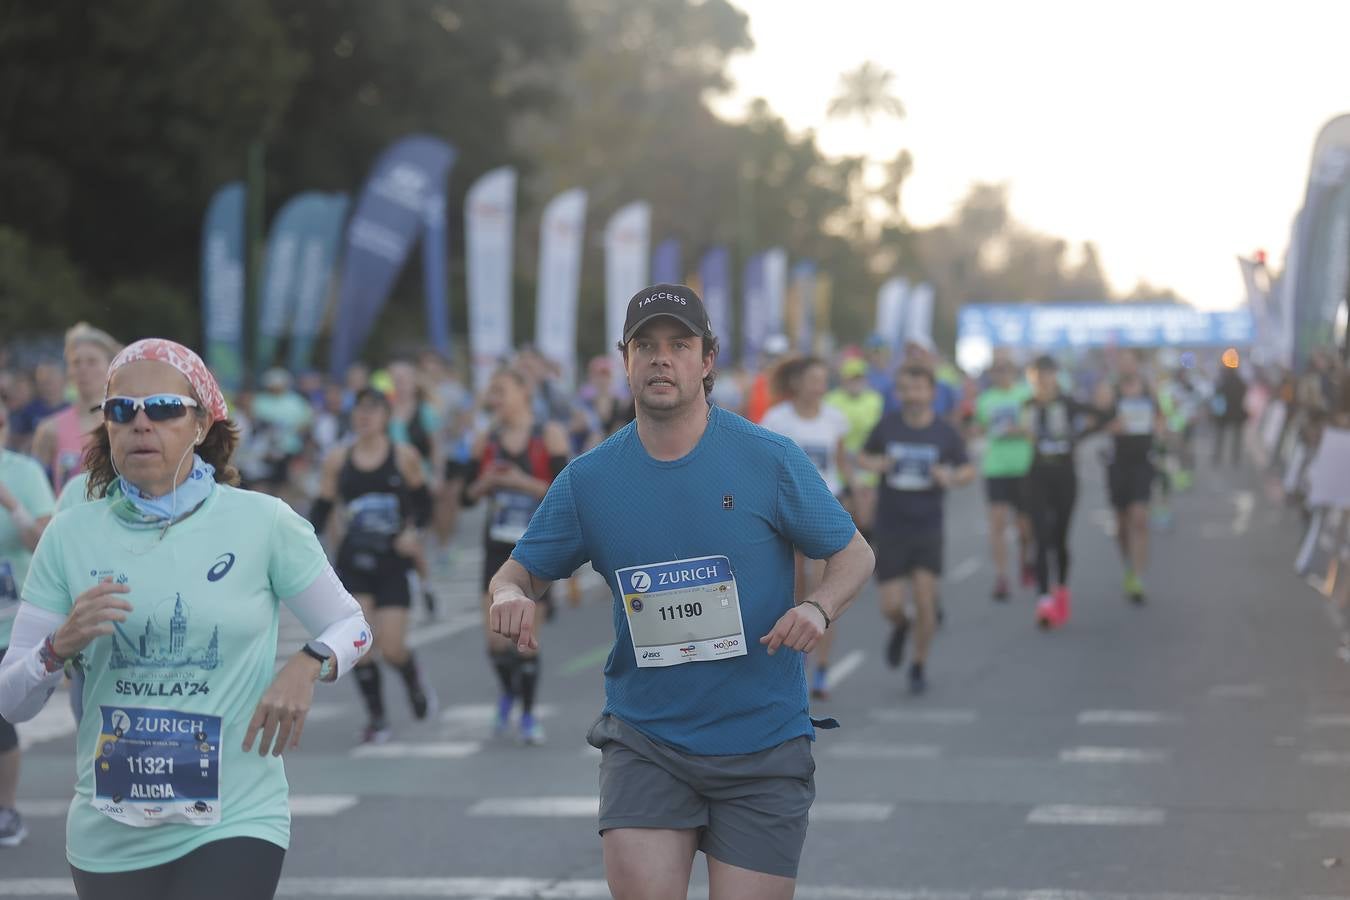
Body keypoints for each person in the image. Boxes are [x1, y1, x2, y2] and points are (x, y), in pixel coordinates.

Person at [489, 284, 874, 899]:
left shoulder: (768, 458)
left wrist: (817, 606)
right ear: (625, 359)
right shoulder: (590, 480)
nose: (660, 358)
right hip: (647, 742)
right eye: (646, 345)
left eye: (679, 344)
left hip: (762, 742)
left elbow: (853, 553)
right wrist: (509, 595)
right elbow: (519, 571)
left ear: (707, 359)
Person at [0, 339, 370, 899]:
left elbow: (352, 626)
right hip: (110, 829)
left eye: (164, 409)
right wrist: (58, 646)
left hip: (235, 817)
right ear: (105, 427)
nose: (141, 423)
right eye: (122, 410)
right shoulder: (70, 533)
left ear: (200, 424)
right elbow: (11, 702)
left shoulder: (263, 522)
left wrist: (309, 662)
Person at [311, 388, 437, 745]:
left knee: (393, 647)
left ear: (385, 416)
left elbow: (424, 504)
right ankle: (377, 718)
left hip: (393, 562)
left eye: (372, 411)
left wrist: (413, 534)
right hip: (354, 561)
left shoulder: (404, 457)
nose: (364, 417)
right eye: (359, 411)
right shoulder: (338, 459)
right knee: (359, 644)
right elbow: (320, 510)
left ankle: (412, 677)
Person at [466, 368, 570, 745]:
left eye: (501, 391)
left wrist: (518, 482)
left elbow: (563, 492)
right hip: (495, 544)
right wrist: (486, 483)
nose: (495, 400)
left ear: (523, 392)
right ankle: (509, 691)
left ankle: (527, 714)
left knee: (524, 638)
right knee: (495, 642)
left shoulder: (548, 435)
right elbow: (466, 495)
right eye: (491, 394)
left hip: (534, 547)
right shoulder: (486, 440)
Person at [860, 365, 975, 694]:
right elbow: (863, 457)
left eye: (919, 389)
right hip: (892, 525)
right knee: (891, 605)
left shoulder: (944, 432)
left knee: (926, 600)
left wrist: (949, 477)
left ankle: (919, 664)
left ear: (931, 393)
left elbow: (967, 469)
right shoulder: (888, 426)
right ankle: (901, 625)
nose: (912, 395)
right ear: (899, 393)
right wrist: (878, 465)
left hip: (927, 525)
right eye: (906, 389)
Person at [761, 356, 852, 700]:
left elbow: (841, 463)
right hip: (786, 512)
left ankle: (823, 669)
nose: (820, 385)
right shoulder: (776, 419)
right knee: (795, 592)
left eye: (823, 379)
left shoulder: (835, 418)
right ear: (796, 383)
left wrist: (856, 495)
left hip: (826, 510)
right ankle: (794, 664)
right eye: (814, 379)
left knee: (823, 593)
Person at [0, 398, 57, 846]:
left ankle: (6, 809)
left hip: (7, 619)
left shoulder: (23, 471)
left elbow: (43, 540)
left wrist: (10, 502)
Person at [1022, 356, 1108, 628]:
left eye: (1047, 375)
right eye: (1037, 376)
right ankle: (1043, 600)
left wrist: (1076, 438)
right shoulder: (1027, 406)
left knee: (1059, 539)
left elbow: (1101, 415)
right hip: (1037, 475)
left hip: (1064, 476)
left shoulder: (1068, 403)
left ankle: (1061, 591)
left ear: (1055, 376)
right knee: (1040, 536)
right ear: (1031, 378)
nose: (1043, 381)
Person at [1099, 351, 1165, 605]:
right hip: (1117, 463)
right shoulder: (1109, 391)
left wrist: (1159, 428)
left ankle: (1138, 576)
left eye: (1131, 360)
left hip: (1142, 461)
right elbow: (1099, 422)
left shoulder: (1149, 389)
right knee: (1121, 522)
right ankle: (1127, 565)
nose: (1126, 365)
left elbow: (1160, 417)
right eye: (1122, 361)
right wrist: (1111, 426)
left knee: (1139, 516)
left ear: (1138, 364)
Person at [974, 356, 1034, 599]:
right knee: (997, 524)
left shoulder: (1026, 395)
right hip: (996, 467)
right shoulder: (985, 400)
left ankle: (1025, 557)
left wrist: (1017, 430)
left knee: (1025, 527)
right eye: (997, 370)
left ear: (1013, 371)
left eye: (1005, 369)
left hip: (1023, 466)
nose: (1001, 374)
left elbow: (1035, 429)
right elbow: (978, 428)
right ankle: (1001, 577)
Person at [33, 324, 121, 489]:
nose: (83, 369)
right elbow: (35, 492)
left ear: (111, 367)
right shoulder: (49, 429)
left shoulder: (127, 422)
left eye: (92, 361)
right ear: (68, 370)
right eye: (76, 362)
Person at [825, 357, 884, 539]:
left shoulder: (875, 399)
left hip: (868, 467)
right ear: (843, 379)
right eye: (852, 378)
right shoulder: (831, 400)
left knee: (868, 521)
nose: (856, 382)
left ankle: (870, 562)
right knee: (847, 521)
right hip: (840, 469)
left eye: (859, 377)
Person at [1212, 360, 1249, 467]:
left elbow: (1217, 396)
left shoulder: (1223, 381)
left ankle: (1217, 457)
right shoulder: (1240, 382)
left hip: (1224, 413)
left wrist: (1216, 412)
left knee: (1220, 437)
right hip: (1237, 413)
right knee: (1236, 438)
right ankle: (1235, 458)